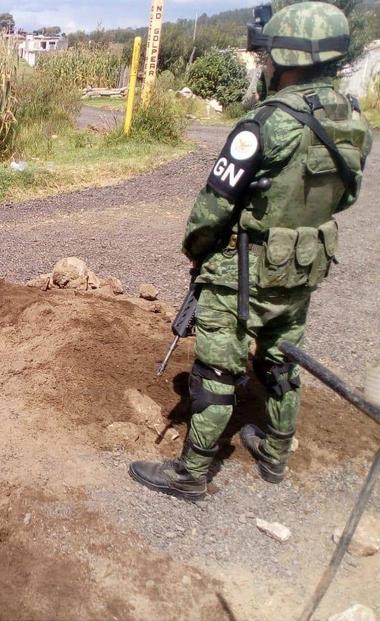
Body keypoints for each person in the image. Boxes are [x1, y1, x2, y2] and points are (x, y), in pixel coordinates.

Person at [129, 1, 373, 501]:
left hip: (243, 270)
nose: (264, 68)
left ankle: (192, 473)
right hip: (302, 263)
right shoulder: (353, 122)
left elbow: (213, 208)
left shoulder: (265, 124)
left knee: (217, 368)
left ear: (286, 58)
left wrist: (197, 251)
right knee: (282, 357)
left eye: (266, 60)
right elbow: (344, 197)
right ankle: (274, 451)